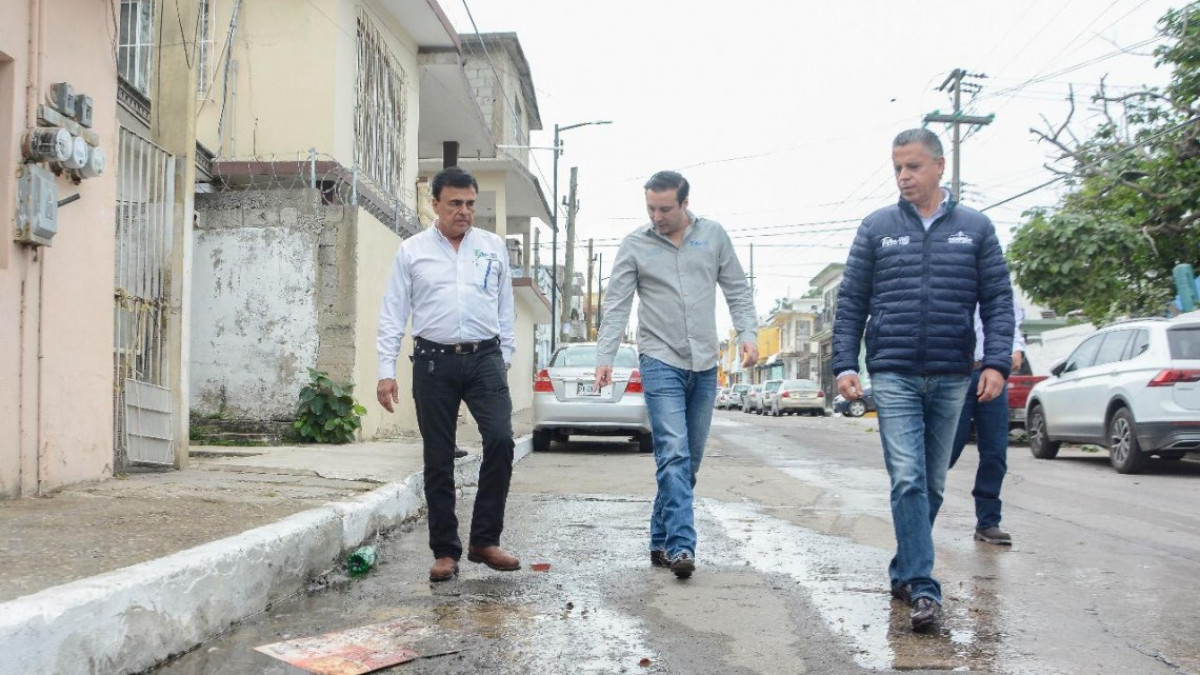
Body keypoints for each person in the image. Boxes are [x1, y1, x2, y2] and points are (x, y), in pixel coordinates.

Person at [832, 129, 1014, 631]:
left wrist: (996, 361)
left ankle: (904, 569)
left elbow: (998, 300)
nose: (903, 176)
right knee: (908, 477)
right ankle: (925, 588)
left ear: (939, 166)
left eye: (912, 166)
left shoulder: (975, 228)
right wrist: (845, 364)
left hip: (954, 373)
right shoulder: (877, 228)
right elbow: (851, 301)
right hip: (892, 371)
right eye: (897, 168)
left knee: (931, 484)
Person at [594, 170, 758, 579]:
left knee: (688, 462)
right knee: (673, 452)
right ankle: (682, 546)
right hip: (658, 358)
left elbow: (737, 288)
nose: (657, 216)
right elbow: (616, 305)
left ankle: (659, 539)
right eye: (650, 208)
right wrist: (605, 357)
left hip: (704, 363)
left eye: (665, 208)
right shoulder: (635, 245)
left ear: (685, 203)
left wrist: (749, 335)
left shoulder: (714, 236)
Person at [376, 166, 520, 583]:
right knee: (437, 457)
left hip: (485, 359)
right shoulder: (412, 251)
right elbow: (393, 314)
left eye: (471, 204)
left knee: (501, 440)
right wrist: (387, 372)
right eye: (455, 203)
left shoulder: (493, 248)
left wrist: (503, 358)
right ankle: (445, 551)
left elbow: (505, 309)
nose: (464, 211)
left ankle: (485, 541)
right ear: (434, 204)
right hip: (433, 363)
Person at [949, 304, 1026, 546]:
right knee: (946, 451)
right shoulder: (955, 275)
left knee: (995, 452)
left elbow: (1009, 319)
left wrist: (1015, 349)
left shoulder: (999, 279)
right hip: (954, 374)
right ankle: (921, 514)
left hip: (993, 374)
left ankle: (988, 522)